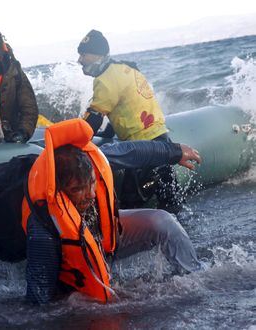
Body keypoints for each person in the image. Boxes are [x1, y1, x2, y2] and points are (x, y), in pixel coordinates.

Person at [22, 119, 202, 304]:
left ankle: (194, 276)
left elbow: (132, 151)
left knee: (163, 222)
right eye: (78, 189)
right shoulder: (43, 229)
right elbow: (38, 298)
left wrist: (175, 151)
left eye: (91, 183)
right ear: (59, 191)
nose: (91, 195)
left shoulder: (94, 160)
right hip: (69, 260)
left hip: (101, 236)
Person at [77, 29, 184, 213]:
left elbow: (93, 119)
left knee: (128, 205)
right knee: (172, 201)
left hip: (142, 148)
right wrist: (109, 133)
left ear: (97, 56)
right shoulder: (126, 68)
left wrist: (75, 141)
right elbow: (125, 107)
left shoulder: (105, 79)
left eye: (83, 54)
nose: (80, 60)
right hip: (162, 141)